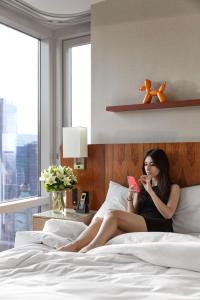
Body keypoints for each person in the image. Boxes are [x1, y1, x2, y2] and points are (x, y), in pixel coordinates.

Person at [58, 148, 180, 253]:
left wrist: (151, 191)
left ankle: (93, 247)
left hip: (159, 225)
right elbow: (132, 215)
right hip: (141, 223)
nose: (147, 168)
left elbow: (168, 214)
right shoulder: (142, 187)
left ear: (161, 165)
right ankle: (73, 246)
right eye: (145, 164)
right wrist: (130, 197)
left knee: (112, 213)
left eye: (152, 164)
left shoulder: (173, 188)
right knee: (100, 221)